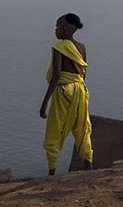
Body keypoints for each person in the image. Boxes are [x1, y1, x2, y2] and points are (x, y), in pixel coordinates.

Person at [40, 12, 94, 175]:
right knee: (83, 128)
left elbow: (56, 76)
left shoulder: (59, 48)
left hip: (64, 90)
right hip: (81, 90)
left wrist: (45, 102)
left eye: (57, 26)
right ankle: (88, 169)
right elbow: (83, 74)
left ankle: (51, 173)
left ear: (64, 28)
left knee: (54, 130)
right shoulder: (82, 47)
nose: (55, 29)